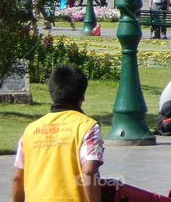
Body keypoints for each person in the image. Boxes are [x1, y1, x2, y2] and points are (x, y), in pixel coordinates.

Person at [12, 65, 104, 202]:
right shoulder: (88, 127)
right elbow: (89, 172)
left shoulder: (30, 131)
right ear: (82, 96)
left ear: (52, 94)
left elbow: (17, 178)